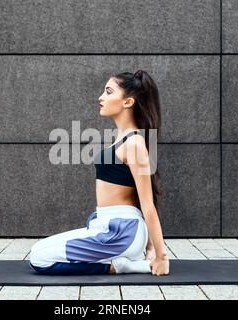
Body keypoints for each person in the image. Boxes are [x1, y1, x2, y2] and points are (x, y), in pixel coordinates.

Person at [29, 70, 169, 276]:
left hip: (122, 232)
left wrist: (160, 256)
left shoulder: (135, 143)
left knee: (39, 259)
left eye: (109, 92)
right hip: (106, 226)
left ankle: (123, 266)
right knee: (37, 249)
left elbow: (147, 203)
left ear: (128, 102)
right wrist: (148, 248)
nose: (100, 97)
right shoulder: (121, 139)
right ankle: (124, 261)